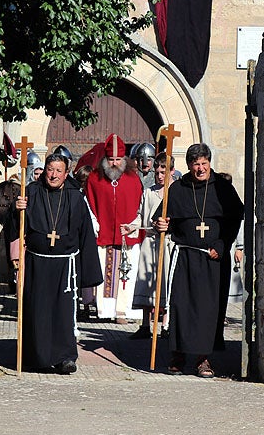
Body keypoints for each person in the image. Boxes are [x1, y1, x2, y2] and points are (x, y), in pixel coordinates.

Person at [155, 143, 243, 378]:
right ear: (189, 165)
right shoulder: (177, 189)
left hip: (213, 260)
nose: (201, 168)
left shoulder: (223, 188)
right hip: (185, 257)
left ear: (209, 163)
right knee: (181, 307)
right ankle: (178, 355)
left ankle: (204, 359)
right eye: (196, 164)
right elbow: (163, 219)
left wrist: (222, 244)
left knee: (208, 310)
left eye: (204, 163)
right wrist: (162, 225)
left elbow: (234, 218)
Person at [15, 153, 103, 373]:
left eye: (58, 171)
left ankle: (65, 357)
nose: (53, 175)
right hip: (38, 262)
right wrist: (17, 211)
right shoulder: (31, 193)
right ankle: (36, 356)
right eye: (50, 169)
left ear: (66, 173)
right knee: (38, 311)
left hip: (66, 265)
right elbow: (16, 227)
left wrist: (88, 273)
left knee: (63, 313)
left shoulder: (75, 196)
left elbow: (86, 235)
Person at [84, 134, 144, 323]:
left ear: (124, 160)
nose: (115, 163)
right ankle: (105, 310)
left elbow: (140, 207)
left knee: (126, 275)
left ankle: (122, 311)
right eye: (111, 159)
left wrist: (133, 226)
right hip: (103, 237)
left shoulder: (133, 179)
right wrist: (96, 226)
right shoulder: (94, 178)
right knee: (104, 272)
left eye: (118, 159)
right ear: (105, 159)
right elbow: (88, 205)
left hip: (127, 238)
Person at [127, 153, 175, 340]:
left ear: (171, 171)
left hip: (169, 242)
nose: (159, 175)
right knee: (146, 282)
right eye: (157, 172)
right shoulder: (149, 192)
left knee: (166, 282)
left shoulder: (176, 192)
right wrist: (132, 225)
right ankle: (145, 325)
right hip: (150, 241)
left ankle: (166, 324)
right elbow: (141, 215)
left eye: (163, 171)